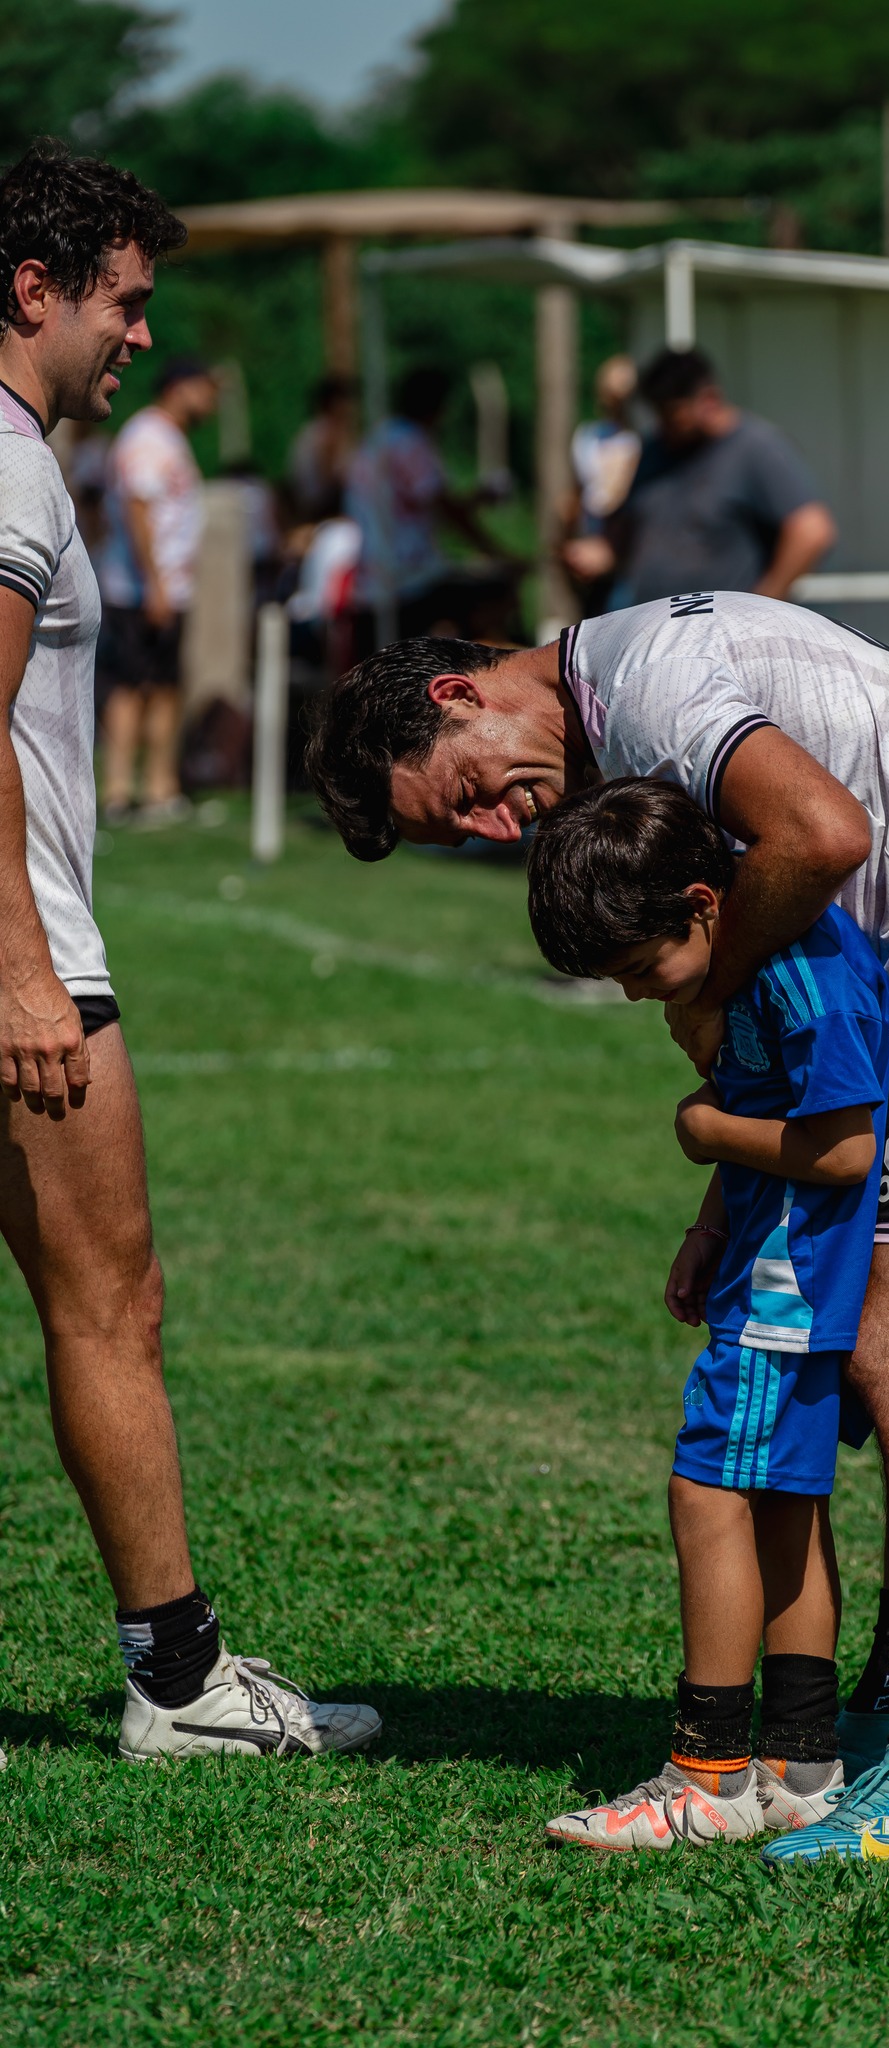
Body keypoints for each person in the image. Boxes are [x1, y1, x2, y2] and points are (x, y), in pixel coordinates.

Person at [306, 590, 889, 1862]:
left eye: (465, 793)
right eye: (464, 832)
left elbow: (822, 835)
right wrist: (723, 1193)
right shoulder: (620, 692)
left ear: (455, 694)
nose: (495, 822)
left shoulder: (649, 683)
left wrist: (714, 1000)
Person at [0, 139, 379, 1760]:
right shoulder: (11, 462)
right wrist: (21, 969)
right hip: (26, 958)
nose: (140, 339)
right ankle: (181, 1682)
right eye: (125, 304)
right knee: (112, 1302)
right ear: (34, 290)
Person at [526, 778, 889, 1850]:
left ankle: (708, 1771)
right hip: (774, 1268)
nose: (643, 996)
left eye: (643, 968)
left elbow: (844, 1149)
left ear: (702, 900)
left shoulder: (795, 972)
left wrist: (701, 1130)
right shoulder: (764, 952)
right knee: (785, 1506)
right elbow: (770, 1103)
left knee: (707, 1489)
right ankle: (800, 1762)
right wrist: (705, 1227)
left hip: (788, 1288)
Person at [562, 347, 836, 608]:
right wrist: (604, 552)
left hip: (721, 639)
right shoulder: (654, 450)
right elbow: (629, 533)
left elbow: (812, 531)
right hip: (653, 631)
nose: (663, 427)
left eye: (672, 416)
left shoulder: (755, 448)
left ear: (709, 400)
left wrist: (762, 605)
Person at [97, 353, 217, 825]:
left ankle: (160, 789)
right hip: (140, 589)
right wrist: (155, 583)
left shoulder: (169, 438)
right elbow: (137, 509)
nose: (210, 401)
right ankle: (119, 789)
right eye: (205, 389)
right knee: (131, 687)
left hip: (164, 587)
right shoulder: (148, 436)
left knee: (166, 686)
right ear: (179, 387)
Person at [345, 362, 520, 655]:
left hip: (372, 577)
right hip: (407, 577)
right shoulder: (411, 443)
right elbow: (448, 511)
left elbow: (423, 504)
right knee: (495, 597)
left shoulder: (377, 439)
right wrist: (498, 553)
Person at [562, 354, 641, 617]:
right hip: (593, 532)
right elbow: (576, 494)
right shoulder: (589, 436)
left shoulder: (644, 440)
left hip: (630, 539)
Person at [288, 372, 358, 523]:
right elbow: (331, 481)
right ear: (334, 403)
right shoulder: (329, 434)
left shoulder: (310, 431)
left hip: (309, 510)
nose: (351, 407)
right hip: (324, 515)